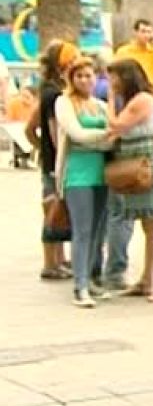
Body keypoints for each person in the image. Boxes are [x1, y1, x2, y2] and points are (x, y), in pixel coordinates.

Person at [106, 58, 153, 302]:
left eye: (114, 78)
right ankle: (147, 279)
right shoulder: (141, 99)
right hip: (145, 165)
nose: (112, 83)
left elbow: (117, 125)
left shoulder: (142, 100)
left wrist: (109, 100)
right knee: (150, 227)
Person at [54, 57, 112, 307]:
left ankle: (90, 278)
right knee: (82, 230)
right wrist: (103, 136)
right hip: (78, 172)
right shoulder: (64, 102)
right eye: (79, 76)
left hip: (102, 171)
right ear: (71, 79)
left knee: (99, 230)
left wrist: (102, 139)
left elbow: (114, 136)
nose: (85, 80)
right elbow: (76, 133)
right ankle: (79, 285)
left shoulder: (100, 105)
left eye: (89, 75)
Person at [26, 40, 79, 280]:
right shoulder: (55, 95)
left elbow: (30, 128)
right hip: (56, 165)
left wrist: (40, 149)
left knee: (55, 208)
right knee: (53, 209)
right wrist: (58, 156)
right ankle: (51, 263)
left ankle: (59, 258)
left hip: (49, 162)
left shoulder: (47, 90)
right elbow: (57, 132)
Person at [115, 19, 153, 94]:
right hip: (129, 92)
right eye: (143, 31)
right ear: (135, 32)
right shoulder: (124, 52)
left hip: (150, 92)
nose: (146, 35)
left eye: (149, 32)